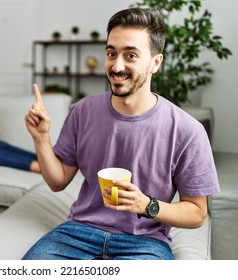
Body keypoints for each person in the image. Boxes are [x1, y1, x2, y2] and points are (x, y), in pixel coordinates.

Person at [23, 7, 219, 260]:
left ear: (155, 63)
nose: (116, 66)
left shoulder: (187, 131)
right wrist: (41, 138)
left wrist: (146, 205)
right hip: (77, 233)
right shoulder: (82, 111)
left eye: (130, 55)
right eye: (111, 53)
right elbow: (57, 181)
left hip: (145, 243)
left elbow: (197, 214)